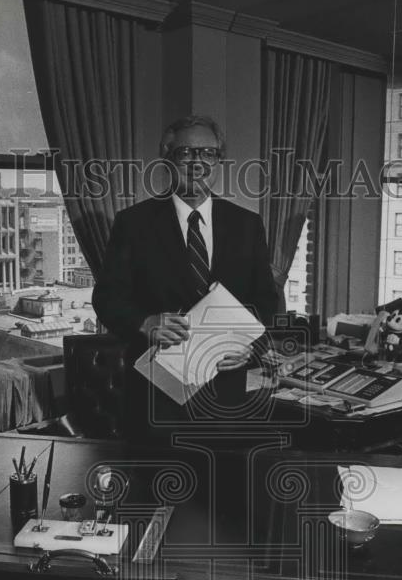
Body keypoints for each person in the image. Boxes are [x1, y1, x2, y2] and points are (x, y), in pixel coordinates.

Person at [93, 115, 279, 443]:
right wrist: (146, 321)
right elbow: (106, 299)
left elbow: (266, 301)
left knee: (221, 489)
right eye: (186, 153)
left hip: (225, 396)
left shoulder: (247, 225)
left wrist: (250, 347)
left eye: (208, 153)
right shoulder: (133, 224)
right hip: (156, 396)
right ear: (168, 157)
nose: (197, 163)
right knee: (158, 489)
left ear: (219, 161)